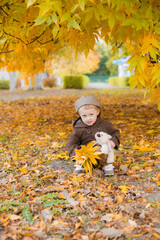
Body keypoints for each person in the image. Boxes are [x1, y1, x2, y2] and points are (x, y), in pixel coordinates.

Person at [66, 95, 120, 176]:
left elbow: (115, 133)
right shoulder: (78, 128)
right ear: (79, 114)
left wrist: (113, 142)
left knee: (102, 149)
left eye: (91, 114)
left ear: (97, 112)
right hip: (86, 155)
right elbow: (71, 143)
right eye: (84, 116)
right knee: (82, 154)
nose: (88, 118)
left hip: (103, 153)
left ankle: (107, 165)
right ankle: (81, 166)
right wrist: (76, 154)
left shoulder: (105, 124)